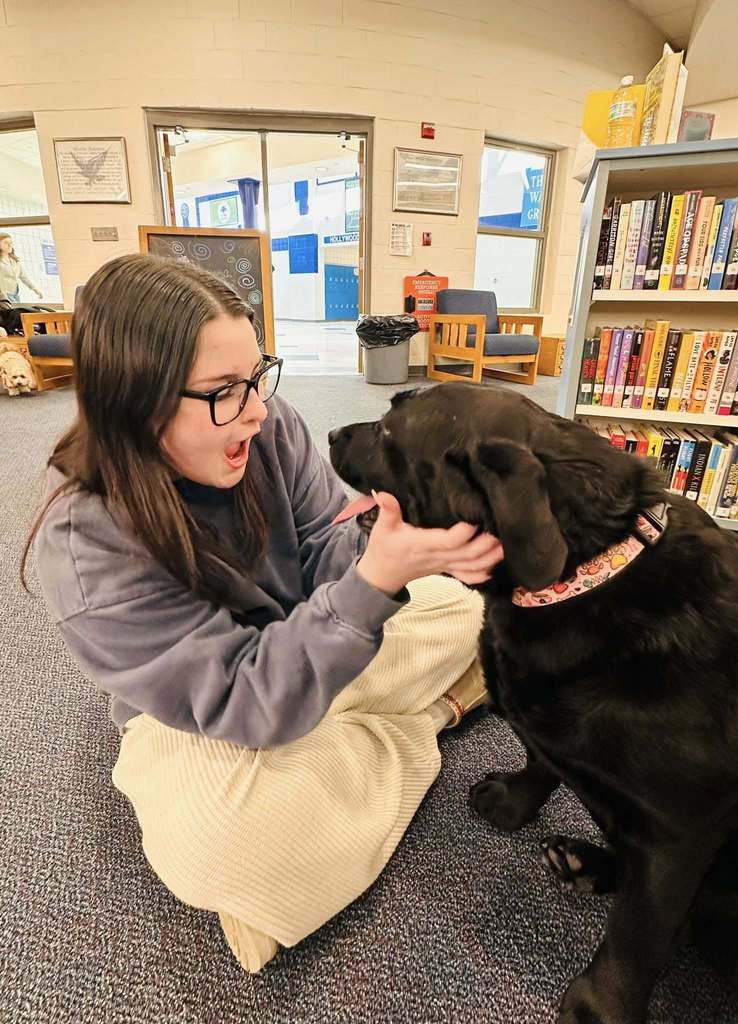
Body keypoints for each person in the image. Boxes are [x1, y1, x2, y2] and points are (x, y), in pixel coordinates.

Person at [23, 254, 503, 973]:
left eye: (258, 375)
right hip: (202, 713)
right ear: (133, 401)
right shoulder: (85, 541)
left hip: (308, 636)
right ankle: (432, 714)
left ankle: (349, 759)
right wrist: (376, 580)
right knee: (221, 839)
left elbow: (323, 548)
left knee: (463, 606)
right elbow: (241, 702)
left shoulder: (263, 427)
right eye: (223, 390)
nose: (256, 409)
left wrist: (379, 535)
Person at [0, 233, 44, 303]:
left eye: (11, 242)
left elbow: (24, 277)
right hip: (4, 295)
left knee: (18, 309)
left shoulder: (15, 260)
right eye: (5, 243)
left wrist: (35, 289)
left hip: (15, 294)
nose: (10, 245)